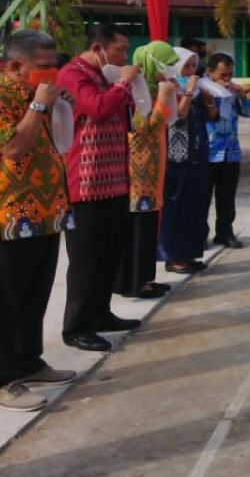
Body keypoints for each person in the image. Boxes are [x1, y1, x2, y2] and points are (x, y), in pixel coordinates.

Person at [0, 31, 76, 410]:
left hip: (45, 212)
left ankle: (28, 361)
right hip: (10, 215)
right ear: (15, 66)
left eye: (54, 64)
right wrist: (41, 107)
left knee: (34, 295)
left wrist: (55, 104)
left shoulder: (38, 94)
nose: (53, 72)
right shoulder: (3, 95)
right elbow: (13, 148)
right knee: (6, 300)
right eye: (44, 66)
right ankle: (3, 378)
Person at [58, 23, 141, 352]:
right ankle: (77, 326)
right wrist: (125, 81)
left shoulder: (104, 75)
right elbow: (98, 107)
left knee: (108, 253)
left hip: (115, 177)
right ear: (98, 48)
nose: (124, 57)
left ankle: (101, 312)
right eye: (120, 50)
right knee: (86, 257)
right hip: (87, 181)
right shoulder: (72, 74)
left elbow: (125, 112)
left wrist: (134, 91)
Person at [117, 42, 181, 299]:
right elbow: (143, 128)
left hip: (153, 169)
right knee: (138, 230)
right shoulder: (136, 89)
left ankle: (146, 278)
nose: (170, 71)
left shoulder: (153, 89)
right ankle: (134, 282)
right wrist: (165, 100)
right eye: (166, 64)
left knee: (148, 228)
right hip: (138, 172)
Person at [158, 47, 210, 274]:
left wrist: (209, 101)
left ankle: (189, 254)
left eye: (193, 65)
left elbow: (212, 118)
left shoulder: (197, 90)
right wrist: (188, 93)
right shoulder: (168, 88)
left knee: (194, 207)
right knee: (176, 208)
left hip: (197, 155)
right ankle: (174, 257)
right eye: (186, 66)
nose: (191, 71)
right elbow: (177, 119)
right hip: (175, 159)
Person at [204, 53, 250, 247]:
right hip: (208, 152)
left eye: (230, 74)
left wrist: (241, 96)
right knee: (203, 198)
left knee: (227, 197)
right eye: (222, 74)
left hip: (230, 151)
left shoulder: (233, 90)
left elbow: (248, 112)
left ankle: (225, 232)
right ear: (210, 72)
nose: (226, 78)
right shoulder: (203, 90)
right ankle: (201, 234)